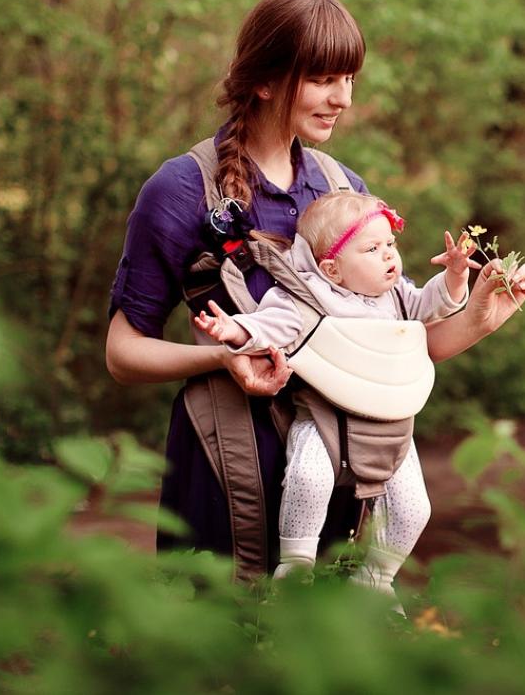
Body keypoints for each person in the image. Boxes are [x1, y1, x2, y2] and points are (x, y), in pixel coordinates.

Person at [105, 0, 525, 575]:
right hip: (225, 457)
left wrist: (479, 318)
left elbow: (391, 341)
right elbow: (123, 353)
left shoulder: (343, 189)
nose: (344, 99)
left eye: (349, 79)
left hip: (339, 457)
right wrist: (221, 359)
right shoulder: (181, 190)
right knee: (219, 644)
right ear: (262, 80)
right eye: (323, 79)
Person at [192, 191, 480, 588]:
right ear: (332, 269)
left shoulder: (395, 296)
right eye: (373, 248)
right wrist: (235, 329)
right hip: (326, 419)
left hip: (392, 424)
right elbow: (269, 326)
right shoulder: (307, 296)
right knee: (309, 480)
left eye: (390, 244)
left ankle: (375, 582)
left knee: (414, 510)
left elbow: (431, 305)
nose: (389, 256)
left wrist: (456, 276)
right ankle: (295, 568)